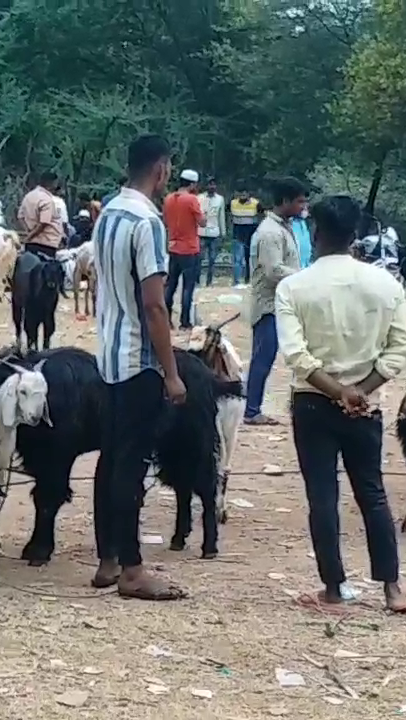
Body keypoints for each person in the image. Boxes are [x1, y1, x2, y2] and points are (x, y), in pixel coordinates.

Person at [275, 193, 406, 613]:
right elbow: (401, 349)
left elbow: (296, 355)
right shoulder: (385, 284)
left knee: (323, 496)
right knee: (372, 492)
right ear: (355, 236)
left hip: (314, 403)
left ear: (314, 234)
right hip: (365, 406)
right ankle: (392, 588)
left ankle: (333, 589)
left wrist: (337, 391)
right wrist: (361, 391)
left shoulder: (293, 287)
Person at [90, 133, 187, 601]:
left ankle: (107, 557)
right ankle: (131, 568)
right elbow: (154, 305)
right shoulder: (148, 222)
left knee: (110, 459)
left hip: (107, 354)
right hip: (138, 361)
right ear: (162, 169)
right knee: (131, 465)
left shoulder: (108, 212)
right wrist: (171, 372)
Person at [243, 177, 306, 425]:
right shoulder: (270, 232)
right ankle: (251, 410)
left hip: (282, 303)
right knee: (263, 356)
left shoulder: (284, 227)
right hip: (268, 305)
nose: (303, 206)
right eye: (299, 201)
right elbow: (273, 270)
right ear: (286, 201)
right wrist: (305, 276)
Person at [162, 169, 204, 328]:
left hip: (173, 247)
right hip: (190, 249)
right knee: (188, 287)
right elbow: (202, 222)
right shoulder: (192, 200)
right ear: (192, 184)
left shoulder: (168, 199)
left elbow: (166, 221)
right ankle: (184, 322)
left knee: (170, 285)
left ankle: (166, 319)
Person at [18, 171, 65, 260]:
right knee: (44, 272)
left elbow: (20, 216)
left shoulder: (28, 196)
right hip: (46, 244)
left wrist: (28, 231)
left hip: (31, 244)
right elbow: (43, 223)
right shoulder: (46, 200)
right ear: (52, 183)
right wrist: (30, 236)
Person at [229, 189, 260, 287]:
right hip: (238, 235)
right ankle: (237, 281)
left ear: (248, 194)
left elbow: (261, 215)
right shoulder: (233, 203)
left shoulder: (256, 203)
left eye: (245, 192)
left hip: (251, 235)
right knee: (238, 259)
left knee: (249, 259)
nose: (243, 194)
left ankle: (249, 279)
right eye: (240, 192)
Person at [197, 177, 226, 285]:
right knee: (199, 257)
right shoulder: (199, 198)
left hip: (214, 232)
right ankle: (197, 279)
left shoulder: (220, 199)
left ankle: (209, 280)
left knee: (212, 258)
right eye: (210, 184)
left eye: (214, 185)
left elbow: (221, 216)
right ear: (206, 186)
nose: (212, 187)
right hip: (201, 231)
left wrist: (223, 232)